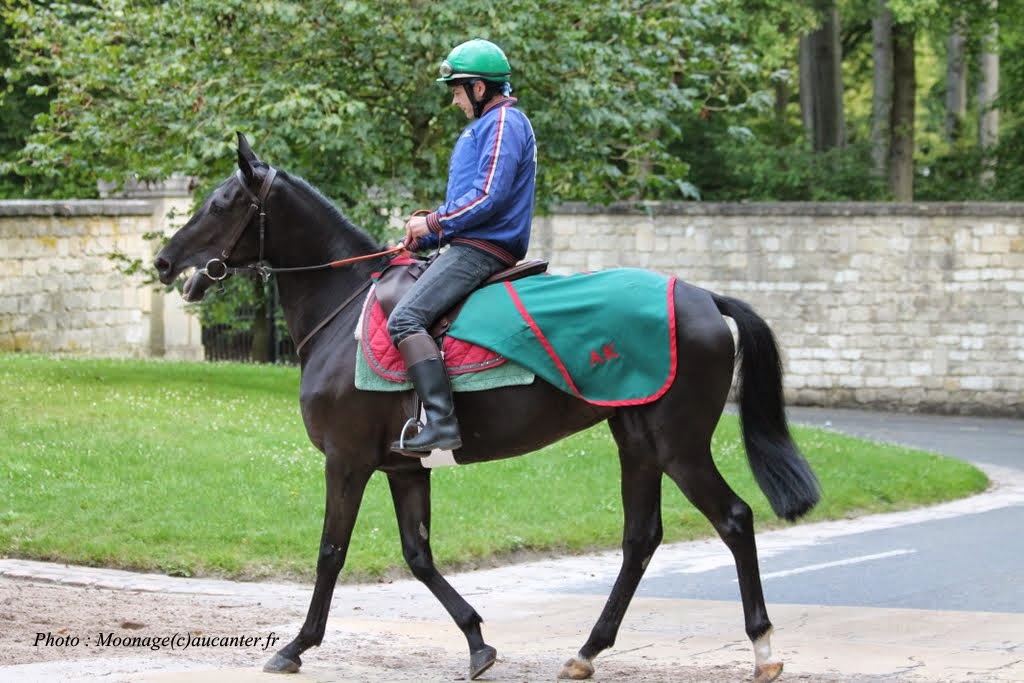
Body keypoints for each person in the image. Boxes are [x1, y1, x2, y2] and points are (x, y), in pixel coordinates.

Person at [387, 38, 537, 457]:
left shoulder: (505, 122)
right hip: (470, 241)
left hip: (483, 248)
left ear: (479, 88)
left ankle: (441, 423)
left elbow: (488, 195)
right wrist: (425, 235)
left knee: (405, 320)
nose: (454, 102)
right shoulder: (490, 125)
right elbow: (471, 203)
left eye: (456, 91)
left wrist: (432, 221)